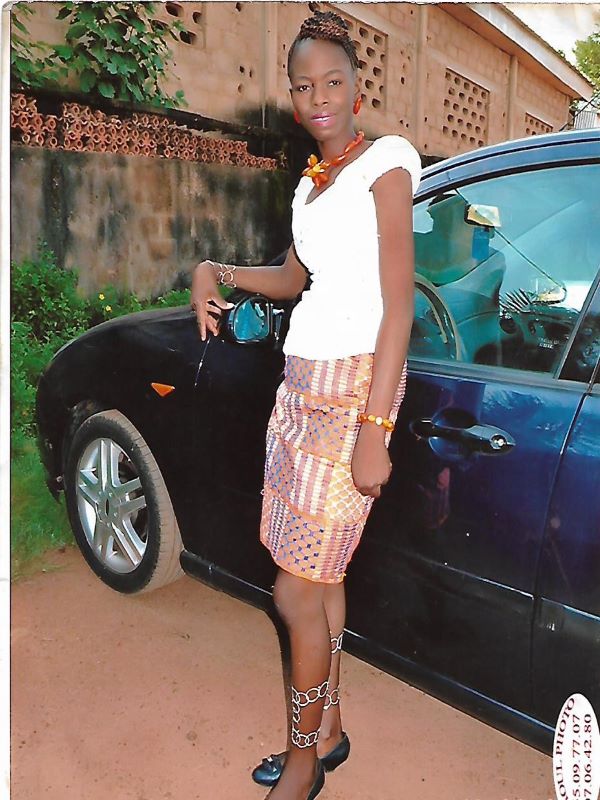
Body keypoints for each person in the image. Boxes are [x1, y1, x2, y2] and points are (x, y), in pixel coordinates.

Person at [191, 10, 422, 800]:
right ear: (292, 99)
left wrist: (376, 429)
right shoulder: (312, 184)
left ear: (358, 90)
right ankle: (328, 730)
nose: (318, 96)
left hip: (354, 395)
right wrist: (216, 269)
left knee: (295, 589)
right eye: (303, 85)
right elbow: (294, 278)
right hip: (298, 391)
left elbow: (399, 307)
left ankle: (302, 763)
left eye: (332, 81)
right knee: (318, 580)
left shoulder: (386, 164)